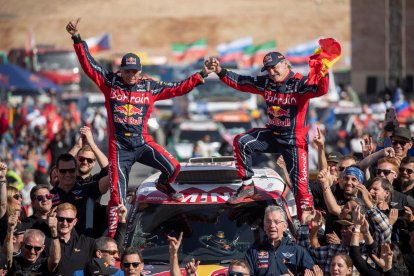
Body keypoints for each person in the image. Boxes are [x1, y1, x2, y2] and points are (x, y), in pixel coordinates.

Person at [66, 18, 214, 236]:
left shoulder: (150, 86)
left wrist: (201, 75)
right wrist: (77, 39)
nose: (131, 75)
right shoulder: (110, 82)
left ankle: (164, 186)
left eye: (135, 71)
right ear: (121, 70)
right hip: (119, 148)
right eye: (127, 71)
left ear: (140, 71)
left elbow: (178, 88)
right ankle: (115, 240)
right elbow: (90, 65)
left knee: (174, 168)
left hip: (143, 142)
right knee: (117, 197)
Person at [207, 38, 341, 219]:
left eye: (275, 67)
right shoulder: (266, 82)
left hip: (294, 142)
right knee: (241, 141)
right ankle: (247, 186)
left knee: (301, 188)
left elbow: (320, 90)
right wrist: (219, 71)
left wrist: (323, 71)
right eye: (268, 69)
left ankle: (307, 231)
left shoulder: (299, 83)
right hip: (273, 135)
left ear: (286, 64)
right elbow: (241, 82)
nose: (272, 71)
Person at [244, 205, 315, 275]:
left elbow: (313, 273)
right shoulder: (252, 252)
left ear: (285, 226)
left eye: (276, 222)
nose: (272, 225)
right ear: (264, 226)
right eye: (268, 221)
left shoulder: (297, 251)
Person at [51, 153, 109, 237]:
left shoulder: (86, 189)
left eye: (71, 170)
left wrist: (93, 146)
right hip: (56, 242)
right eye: (63, 171)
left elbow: (111, 175)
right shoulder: (48, 196)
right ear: (56, 171)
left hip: (83, 244)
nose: (67, 174)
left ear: (76, 170)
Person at [53, 203, 96, 276]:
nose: (64, 223)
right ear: (55, 219)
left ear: (75, 222)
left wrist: (122, 223)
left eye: (69, 220)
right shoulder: (46, 241)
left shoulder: (87, 243)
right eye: (60, 219)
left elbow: (110, 250)